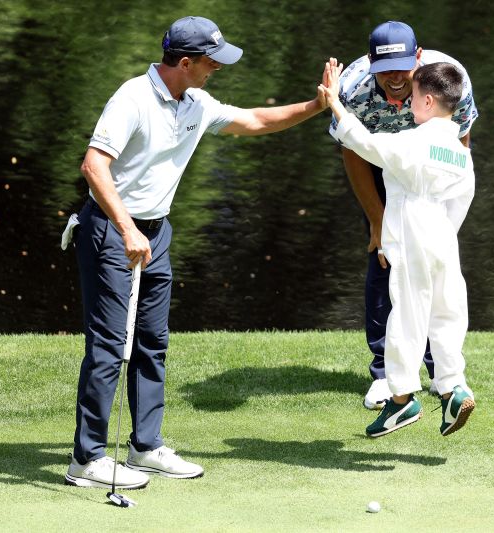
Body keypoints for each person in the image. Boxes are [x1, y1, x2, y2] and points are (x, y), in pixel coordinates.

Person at [61, 16, 332, 490]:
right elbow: (93, 166)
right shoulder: (132, 99)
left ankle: (144, 447)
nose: (217, 69)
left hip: (156, 232)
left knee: (152, 341)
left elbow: (253, 120)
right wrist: (126, 229)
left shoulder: (195, 101)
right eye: (211, 62)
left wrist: (316, 105)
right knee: (108, 347)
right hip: (111, 230)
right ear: (185, 62)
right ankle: (87, 459)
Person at [321, 59, 476, 437]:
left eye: (414, 98)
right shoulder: (459, 151)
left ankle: (402, 399)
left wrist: (335, 102)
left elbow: (364, 143)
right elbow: (463, 199)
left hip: (414, 227)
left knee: (406, 312)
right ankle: (452, 385)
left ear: (425, 102)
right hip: (444, 231)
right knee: (446, 308)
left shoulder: (412, 141)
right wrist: (444, 234)